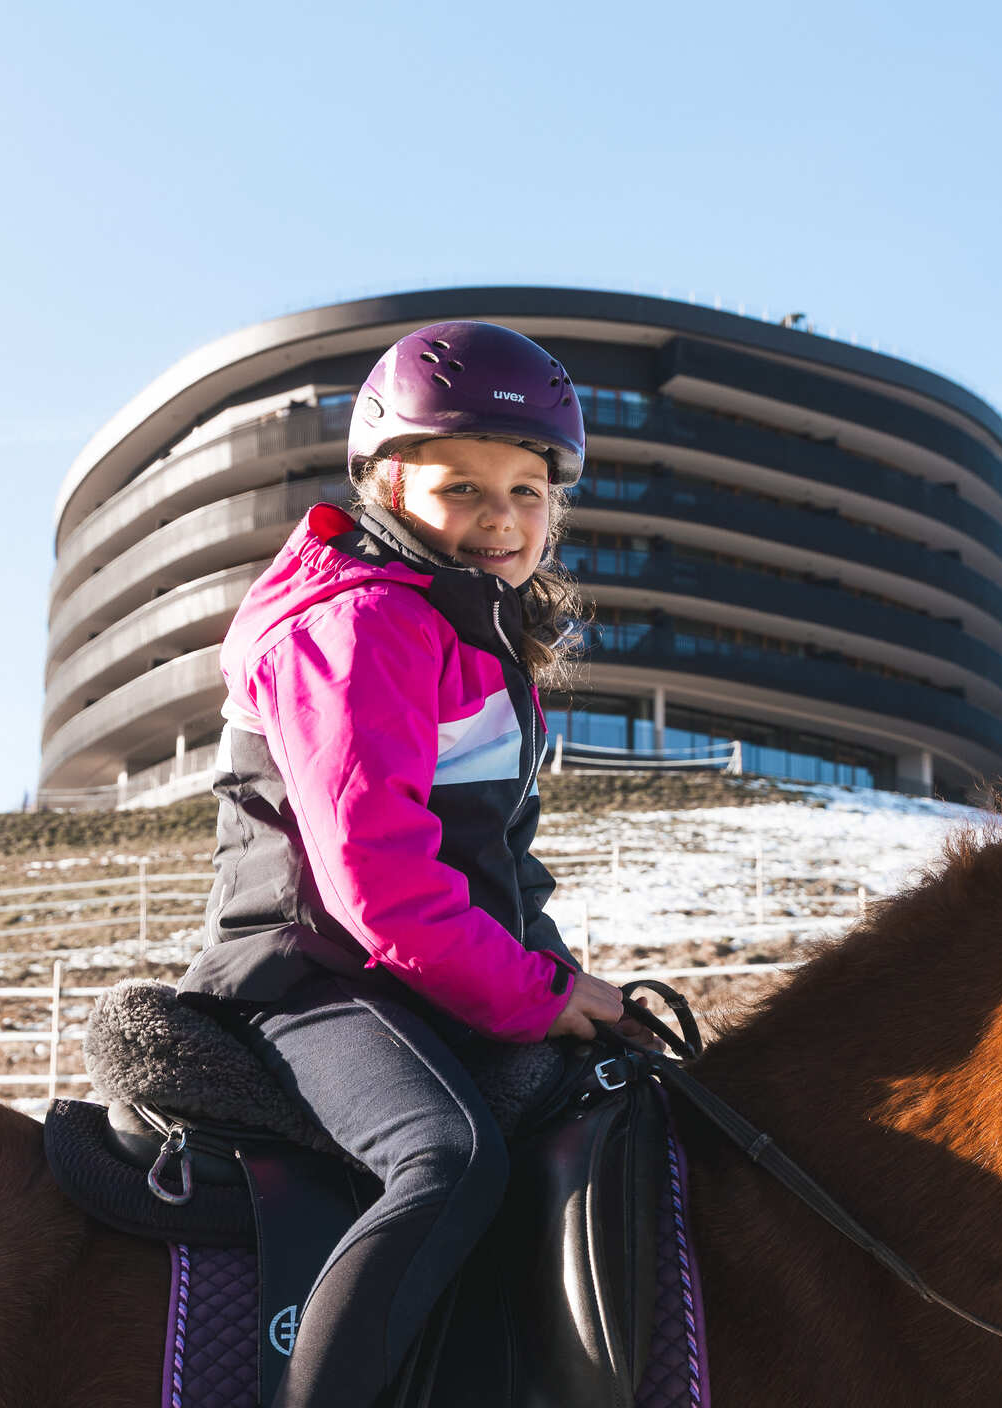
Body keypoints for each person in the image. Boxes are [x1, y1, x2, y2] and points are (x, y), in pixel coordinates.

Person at [179, 320, 640, 1407]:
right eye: (461, 489)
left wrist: (575, 986)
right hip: (313, 981)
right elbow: (380, 886)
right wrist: (537, 994)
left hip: (415, 977)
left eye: (527, 492)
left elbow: (497, 871)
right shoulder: (361, 626)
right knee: (447, 1159)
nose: (501, 519)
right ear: (389, 487)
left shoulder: (466, 634)